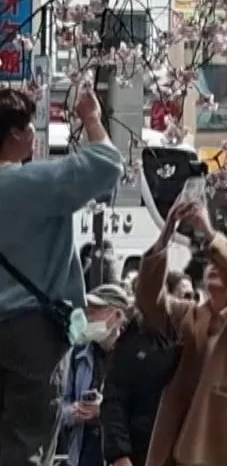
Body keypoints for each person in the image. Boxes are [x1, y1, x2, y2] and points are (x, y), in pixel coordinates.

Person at [0, 85, 123, 466]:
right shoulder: (27, 183)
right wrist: (91, 119)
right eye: (31, 126)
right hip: (30, 332)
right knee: (27, 442)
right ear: (16, 135)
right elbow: (107, 164)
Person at [134, 199, 227, 466]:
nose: (214, 266)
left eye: (221, 264)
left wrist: (209, 233)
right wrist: (167, 233)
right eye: (210, 264)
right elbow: (148, 299)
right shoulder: (189, 314)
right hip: (179, 442)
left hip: (225, 446)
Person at [56, 284, 133, 466]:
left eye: (94, 312)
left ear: (118, 316)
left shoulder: (133, 358)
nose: (87, 318)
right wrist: (75, 411)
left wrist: (104, 412)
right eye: (86, 311)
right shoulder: (77, 355)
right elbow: (59, 407)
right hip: (82, 457)